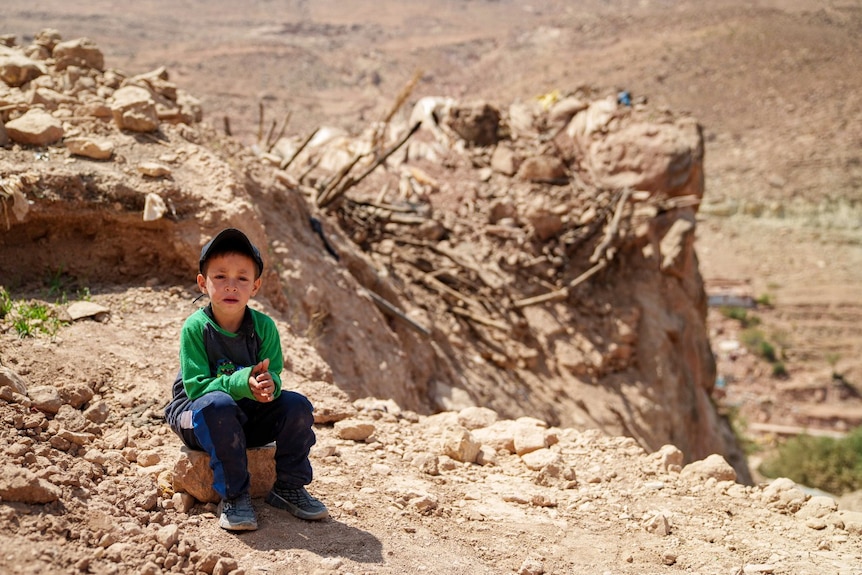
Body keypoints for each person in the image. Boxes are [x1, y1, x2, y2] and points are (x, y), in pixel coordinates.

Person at [164, 228, 328, 531]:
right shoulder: (196, 328)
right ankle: (235, 496)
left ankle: (289, 487)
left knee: (296, 405)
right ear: (203, 282)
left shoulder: (264, 327)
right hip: (195, 416)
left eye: (242, 278)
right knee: (216, 406)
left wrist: (269, 387)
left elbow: (274, 374)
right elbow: (197, 387)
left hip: (244, 417)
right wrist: (241, 382)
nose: (231, 286)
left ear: (255, 286)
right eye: (220, 277)